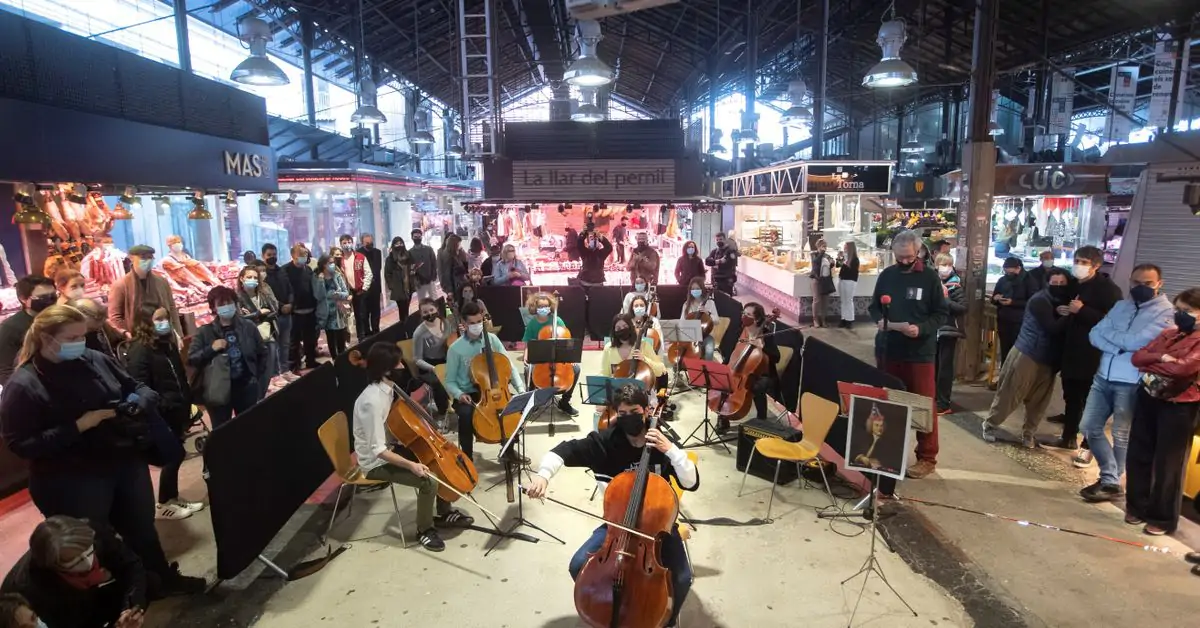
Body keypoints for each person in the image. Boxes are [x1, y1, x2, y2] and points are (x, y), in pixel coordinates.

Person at [0, 305, 204, 596]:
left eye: (83, 336)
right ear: (47, 339)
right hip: (71, 479)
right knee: (98, 542)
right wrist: (79, 426)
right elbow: (20, 444)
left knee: (143, 531)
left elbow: (139, 387)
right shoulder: (23, 385)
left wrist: (136, 402)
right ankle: (121, 597)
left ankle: (160, 582)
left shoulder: (94, 359)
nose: (80, 344)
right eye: (72, 338)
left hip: (123, 462)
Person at [525, 384, 697, 628]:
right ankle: (611, 613)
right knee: (578, 566)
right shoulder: (605, 442)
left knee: (682, 577)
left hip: (657, 526)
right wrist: (543, 475)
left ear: (647, 410)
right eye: (623, 414)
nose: (628, 419)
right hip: (616, 526)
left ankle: (665, 620)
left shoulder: (662, 439)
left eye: (634, 412)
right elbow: (563, 450)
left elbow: (691, 482)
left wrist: (671, 451)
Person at [352, 343, 474, 552]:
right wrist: (410, 464)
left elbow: (392, 427)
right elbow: (377, 450)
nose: (402, 366)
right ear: (385, 370)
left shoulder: (388, 389)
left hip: (390, 448)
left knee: (435, 464)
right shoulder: (371, 402)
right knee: (428, 481)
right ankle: (424, 530)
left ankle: (444, 513)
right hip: (375, 462)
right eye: (397, 363)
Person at [1078, 264, 1174, 503]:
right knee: (1089, 426)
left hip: (1132, 381)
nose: (1140, 288)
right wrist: (1120, 346)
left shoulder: (1166, 313)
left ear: (1159, 284)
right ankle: (1111, 478)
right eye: (1135, 283)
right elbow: (1094, 334)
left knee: (1122, 434)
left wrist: (1117, 342)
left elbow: (1139, 341)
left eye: (1147, 284)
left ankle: (1111, 480)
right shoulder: (1121, 306)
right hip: (1102, 377)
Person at [868, 230, 948, 480]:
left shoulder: (930, 277)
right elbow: (874, 307)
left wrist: (921, 329)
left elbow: (940, 314)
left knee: (924, 405)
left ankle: (927, 457)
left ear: (919, 252)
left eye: (909, 257)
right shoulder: (887, 275)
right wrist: (880, 320)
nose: (904, 261)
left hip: (919, 352)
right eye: (899, 257)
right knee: (886, 401)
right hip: (888, 348)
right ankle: (885, 451)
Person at [1126, 288, 1200, 536]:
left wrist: (1155, 362)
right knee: (1139, 452)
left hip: (1180, 405)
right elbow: (1137, 358)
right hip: (1148, 396)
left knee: (1169, 463)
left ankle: (1163, 517)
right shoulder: (1170, 333)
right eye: (1178, 310)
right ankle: (1136, 506)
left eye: (1187, 311)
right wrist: (1162, 357)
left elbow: (1183, 370)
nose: (1180, 315)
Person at [123, 305, 203, 520]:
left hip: (177, 408)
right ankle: (164, 503)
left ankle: (172, 497)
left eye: (165, 318)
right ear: (145, 322)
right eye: (157, 319)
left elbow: (178, 375)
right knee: (171, 456)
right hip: (161, 413)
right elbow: (139, 384)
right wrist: (162, 406)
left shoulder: (166, 343)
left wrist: (185, 402)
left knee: (176, 455)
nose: (163, 322)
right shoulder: (140, 349)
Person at [981, 268, 1072, 448]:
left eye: (1062, 284)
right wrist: (1071, 315)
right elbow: (1051, 328)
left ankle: (1029, 433)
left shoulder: (1062, 301)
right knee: (1011, 392)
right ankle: (990, 425)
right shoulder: (1040, 300)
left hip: (1048, 358)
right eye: (1055, 283)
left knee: (1040, 400)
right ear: (1047, 283)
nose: (1058, 287)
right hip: (1027, 353)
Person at [1, 517, 147, 628]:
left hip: (84, 599)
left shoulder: (91, 533)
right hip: (64, 613)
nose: (88, 562)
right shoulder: (25, 592)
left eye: (90, 552)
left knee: (148, 583)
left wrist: (128, 610)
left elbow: (131, 566)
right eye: (76, 562)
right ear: (54, 565)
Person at [1053, 245, 1123, 458]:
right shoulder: (1075, 284)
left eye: (1084, 263)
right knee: (1071, 395)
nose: (1079, 266)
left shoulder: (1108, 289)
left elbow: (1113, 322)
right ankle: (1068, 436)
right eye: (1077, 261)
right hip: (1071, 349)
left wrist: (1082, 311)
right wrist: (1063, 310)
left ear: (1096, 266)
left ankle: (1088, 445)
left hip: (1092, 353)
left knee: (1090, 401)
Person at [444, 302, 525, 459]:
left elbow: (508, 366)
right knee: (466, 416)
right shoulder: (455, 349)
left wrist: (520, 389)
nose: (476, 326)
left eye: (479, 322)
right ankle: (467, 456)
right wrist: (459, 394)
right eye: (472, 323)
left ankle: (508, 449)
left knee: (512, 410)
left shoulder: (492, 339)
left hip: (495, 388)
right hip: (468, 394)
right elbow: (450, 381)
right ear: (464, 323)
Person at [188, 286, 268, 428]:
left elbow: (262, 352)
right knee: (222, 429)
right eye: (221, 304)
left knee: (248, 426)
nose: (226, 307)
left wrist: (255, 375)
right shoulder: (204, 332)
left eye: (229, 303)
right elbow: (192, 359)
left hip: (245, 386)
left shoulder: (248, 326)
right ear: (214, 308)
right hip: (218, 390)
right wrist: (210, 349)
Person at [720, 302, 780, 432]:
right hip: (737, 368)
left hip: (761, 374)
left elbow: (776, 357)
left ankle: (761, 419)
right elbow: (730, 352)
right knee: (721, 380)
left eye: (748, 314)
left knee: (757, 386)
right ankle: (723, 418)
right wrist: (724, 367)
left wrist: (762, 347)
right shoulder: (739, 331)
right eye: (743, 313)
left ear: (757, 319)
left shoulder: (765, 334)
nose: (744, 316)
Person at [522, 292, 580, 417]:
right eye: (541, 307)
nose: (544, 309)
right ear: (535, 308)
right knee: (528, 368)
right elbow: (527, 343)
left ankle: (565, 402)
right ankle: (533, 402)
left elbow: (567, 340)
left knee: (576, 369)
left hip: (559, 358)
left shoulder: (557, 320)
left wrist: (570, 358)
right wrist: (526, 355)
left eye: (546, 306)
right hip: (540, 358)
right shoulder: (532, 324)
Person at [107, 245, 180, 338]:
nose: (148, 261)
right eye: (143, 258)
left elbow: (171, 308)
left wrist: (177, 333)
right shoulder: (121, 285)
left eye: (150, 257)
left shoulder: (161, 282)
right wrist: (125, 333)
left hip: (163, 334)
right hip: (137, 337)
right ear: (132, 258)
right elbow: (115, 316)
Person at [0, 275, 57, 385]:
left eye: (53, 296)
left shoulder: (62, 318)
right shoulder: (11, 327)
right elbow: (4, 369)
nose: (50, 301)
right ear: (23, 299)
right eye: (42, 298)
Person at [236, 265, 281, 396]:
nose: (253, 280)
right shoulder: (238, 298)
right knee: (255, 373)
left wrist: (252, 314)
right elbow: (240, 320)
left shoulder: (264, 293)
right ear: (241, 279)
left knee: (268, 371)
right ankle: (256, 401)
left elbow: (274, 310)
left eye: (255, 277)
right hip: (251, 340)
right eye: (249, 277)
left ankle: (261, 398)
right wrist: (259, 313)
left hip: (269, 336)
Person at [934, 254, 967, 414]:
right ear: (936, 265)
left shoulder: (955, 285)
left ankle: (944, 403)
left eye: (949, 265)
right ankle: (934, 398)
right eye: (943, 264)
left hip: (948, 330)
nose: (946, 268)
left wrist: (946, 298)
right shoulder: (932, 282)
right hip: (933, 330)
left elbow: (962, 308)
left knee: (945, 369)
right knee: (934, 366)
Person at [991, 256, 1037, 366]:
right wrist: (996, 299)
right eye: (1006, 271)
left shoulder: (1029, 281)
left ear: (1018, 268)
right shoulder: (1003, 280)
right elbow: (993, 297)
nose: (1008, 274)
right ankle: (1004, 377)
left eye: (1010, 271)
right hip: (1004, 320)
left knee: (1018, 353)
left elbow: (1033, 303)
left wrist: (1013, 302)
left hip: (1021, 322)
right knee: (1005, 351)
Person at [262, 243, 297, 382]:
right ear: (263, 256)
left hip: (287, 314)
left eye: (274, 254)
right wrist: (281, 306)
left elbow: (290, 289)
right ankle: (275, 375)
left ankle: (285, 370)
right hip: (273, 315)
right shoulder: (263, 275)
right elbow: (268, 296)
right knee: (273, 347)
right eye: (269, 255)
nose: (272, 257)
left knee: (285, 344)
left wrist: (290, 304)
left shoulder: (281, 271)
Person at [411, 299, 451, 419]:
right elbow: (417, 359)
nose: (429, 313)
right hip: (429, 366)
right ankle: (443, 413)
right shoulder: (419, 333)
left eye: (431, 310)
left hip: (447, 361)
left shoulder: (446, 323)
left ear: (437, 309)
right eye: (425, 312)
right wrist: (433, 368)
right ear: (421, 314)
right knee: (439, 383)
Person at [285, 244, 320, 374]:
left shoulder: (309, 270)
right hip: (295, 312)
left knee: (310, 339)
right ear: (293, 255)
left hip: (310, 309)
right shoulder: (286, 270)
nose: (303, 258)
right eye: (300, 255)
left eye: (305, 255)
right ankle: (294, 366)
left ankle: (311, 360)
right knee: (294, 341)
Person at [336, 235, 372, 341]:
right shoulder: (339, 260)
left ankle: (361, 337)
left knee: (360, 315)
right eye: (344, 242)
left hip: (359, 291)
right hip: (346, 292)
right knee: (345, 317)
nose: (347, 244)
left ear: (352, 243)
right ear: (341, 244)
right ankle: (345, 341)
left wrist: (364, 288)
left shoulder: (360, 257)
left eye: (348, 242)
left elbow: (368, 273)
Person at [317, 254, 351, 359]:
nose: (332, 265)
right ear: (323, 265)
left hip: (339, 312)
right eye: (330, 263)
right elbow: (317, 295)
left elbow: (346, 293)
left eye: (333, 262)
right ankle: (335, 360)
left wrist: (338, 295)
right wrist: (321, 281)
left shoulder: (337, 275)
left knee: (341, 338)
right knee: (331, 340)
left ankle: (342, 360)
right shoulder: (318, 278)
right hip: (327, 313)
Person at [681, 277, 719, 361]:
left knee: (709, 346)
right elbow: (682, 322)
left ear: (702, 289)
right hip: (690, 336)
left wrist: (708, 313)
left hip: (705, 335)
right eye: (693, 289)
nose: (695, 291)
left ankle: (707, 368)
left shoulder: (710, 303)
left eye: (697, 288)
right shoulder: (686, 304)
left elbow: (716, 321)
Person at [358, 233, 383, 337]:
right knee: (365, 312)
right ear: (362, 243)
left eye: (371, 242)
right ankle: (367, 332)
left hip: (376, 287)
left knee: (376, 311)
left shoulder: (377, 252)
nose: (369, 244)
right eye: (367, 243)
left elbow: (378, 269)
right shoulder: (358, 254)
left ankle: (376, 331)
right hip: (364, 288)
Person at [384, 236, 413, 323]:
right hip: (398, 287)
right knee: (401, 308)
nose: (399, 245)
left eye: (401, 243)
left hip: (408, 286)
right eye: (396, 244)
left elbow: (413, 267)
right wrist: (392, 286)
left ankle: (407, 325)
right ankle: (403, 326)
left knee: (407, 307)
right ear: (393, 245)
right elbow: (387, 273)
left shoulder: (408, 255)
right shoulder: (390, 259)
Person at [809, 239, 835, 328]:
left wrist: (832, 263)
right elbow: (815, 263)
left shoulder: (827, 256)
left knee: (825, 301)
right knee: (817, 300)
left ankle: (823, 320)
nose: (824, 247)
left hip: (826, 281)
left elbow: (831, 265)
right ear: (818, 246)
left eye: (825, 246)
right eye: (822, 246)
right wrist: (821, 253)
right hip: (817, 280)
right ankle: (815, 319)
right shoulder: (814, 255)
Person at [408, 228, 439, 301]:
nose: (417, 238)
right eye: (415, 237)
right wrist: (415, 280)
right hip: (419, 282)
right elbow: (410, 268)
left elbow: (434, 263)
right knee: (422, 301)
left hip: (430, 280)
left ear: (422, 237)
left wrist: (433, 277)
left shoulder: (428, 249)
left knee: (434, 299)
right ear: (412, 238)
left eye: (419, 236)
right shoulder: (410, 253)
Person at [437, 234, 469, 301]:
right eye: (459, 243)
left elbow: (465, 264)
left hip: (460, 284)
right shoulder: (448, 256)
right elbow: (447, 274)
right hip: (455, 286)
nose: (460, 245)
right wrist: (449, 290)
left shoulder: (457, 254)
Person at [836, 241, 860, 329]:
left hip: (850, 281)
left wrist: (844, 262)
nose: (844, 248)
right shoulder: (845, 258)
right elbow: (838, 265)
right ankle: (843, 318)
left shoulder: (855, 260)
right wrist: (839, 257)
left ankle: (849, 320)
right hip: (842, 280)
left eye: (846, 247)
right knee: (843, 301)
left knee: (849, 300)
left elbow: (851, 270)